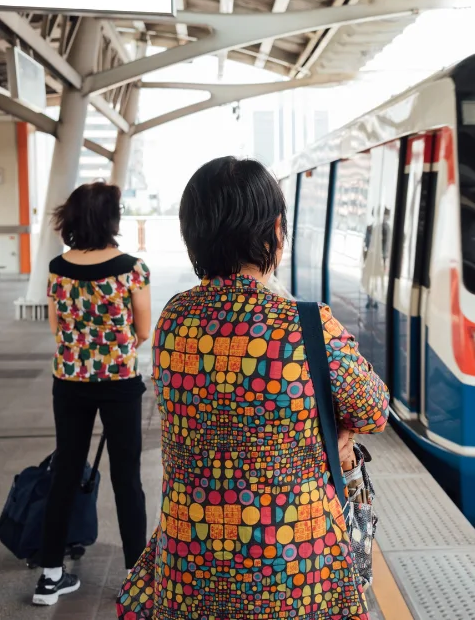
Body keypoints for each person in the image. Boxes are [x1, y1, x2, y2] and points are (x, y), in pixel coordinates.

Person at [117, 157, 389, 620]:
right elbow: (374, 409)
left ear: (194, 234)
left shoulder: (174, 318)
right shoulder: (304, 325)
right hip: (293, 564)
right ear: (274, 231)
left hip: (191, 557)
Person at [34, 182, 151, 606]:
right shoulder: (130, 268)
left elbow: (54, 328)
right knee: (126, 479)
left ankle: (49, 577)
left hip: (68, 382)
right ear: (111, 219)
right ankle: (135, 579)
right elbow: (142, 330)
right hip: (119, 384)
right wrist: (112, 349)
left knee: (65, 471)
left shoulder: (57, 268)